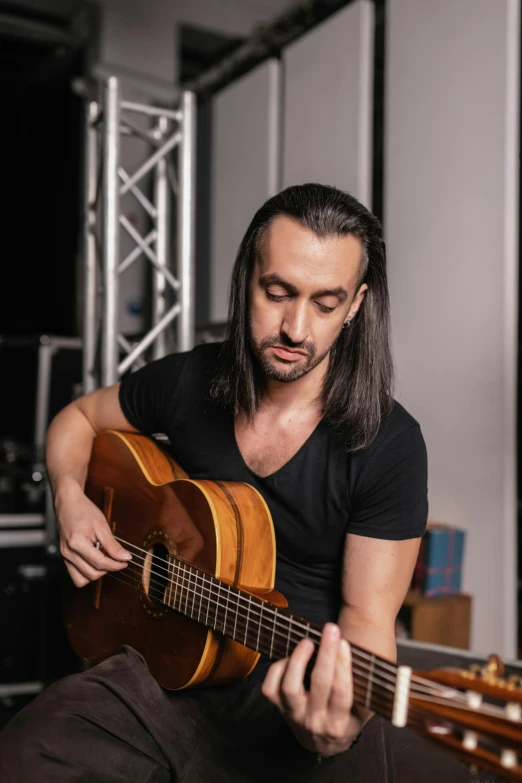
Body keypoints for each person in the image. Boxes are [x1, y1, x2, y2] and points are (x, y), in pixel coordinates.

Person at [0, 183, 429, 782]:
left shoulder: (391, 444)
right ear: (245, 280)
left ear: (356, 305)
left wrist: (340, 722)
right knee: (27, 751)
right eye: (276, 292)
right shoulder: (191, 381)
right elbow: (75, 420)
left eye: (325, 304)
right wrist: (70, 499)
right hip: (166, 668)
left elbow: (368, 623)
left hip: (289, 691)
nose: (296, 328)